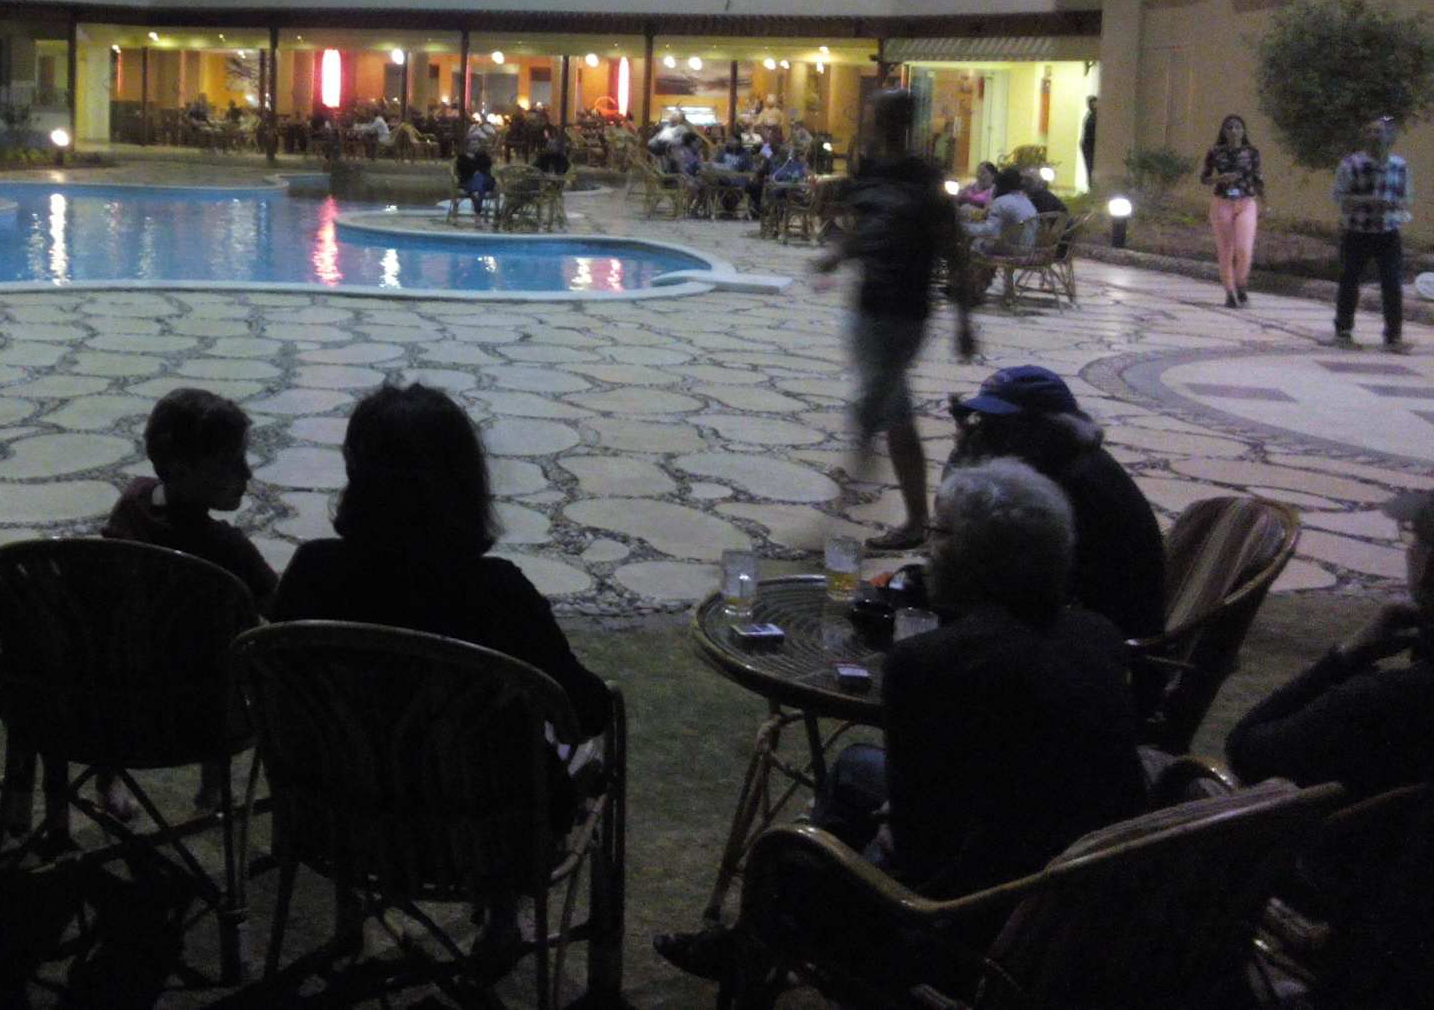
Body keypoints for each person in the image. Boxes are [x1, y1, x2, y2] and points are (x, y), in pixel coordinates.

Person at [656, 462, 1145, 980]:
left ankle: (760, 945)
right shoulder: (1097, 635)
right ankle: (755, 940)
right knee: (853, 768)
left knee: (790, 855)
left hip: (975, 928)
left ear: (976, 555)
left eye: (939, 533)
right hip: (1094, 901)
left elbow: (917, 849)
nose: (928, 550)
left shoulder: (929, 665)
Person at [272, 384, 609, 739]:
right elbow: (582, 712)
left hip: (332, 770)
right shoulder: (499, 594)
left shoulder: (313, 571)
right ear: (465, 479)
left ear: (357, 474)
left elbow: (274, 688)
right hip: (473, 774)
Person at [814, 90, 978, 553]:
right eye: (878, 113)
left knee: (883, 407)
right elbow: (866, 232)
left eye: (887, 115)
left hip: (906, 310)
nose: (878, 122)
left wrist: (964, 320)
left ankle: (869, 507)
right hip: (866, 308)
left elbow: (953, 247)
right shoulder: (869, 172)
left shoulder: (924, 178)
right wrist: (836, 257)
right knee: (892, 411)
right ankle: (911, 518)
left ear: (904, 121)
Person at [1225, 488, 1434, 797]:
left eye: (1415, 539)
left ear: (1430, 566)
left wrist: (1343, 659)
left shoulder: (1383, 699)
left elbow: (1244, 750)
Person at [945, 366, 1165, 640]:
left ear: (1044, 429)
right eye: (983, 422)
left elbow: (1017, 581)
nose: (986, 434)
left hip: (1103, 640)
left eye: (1000, 426)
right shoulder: (1070, 461)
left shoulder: (1073, 485)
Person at [103, 388, 275, 607]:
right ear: (181, 471)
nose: (246, 473)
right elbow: (281, 611)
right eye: (230, 462)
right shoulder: (229, 549)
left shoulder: (133, 504)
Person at [1332, 115, 1413, 351]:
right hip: (1357, 232)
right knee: (1349, 280)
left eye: (1379, 131)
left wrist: (1396, 207)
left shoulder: (1399, 166)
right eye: (1370, 131)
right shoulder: (1351, 165)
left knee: (1392, 283)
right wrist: (1370, 201)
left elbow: (1406, 198)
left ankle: (1393, 336)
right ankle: (1343, 331)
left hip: (1388, 233)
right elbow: (1340, 198)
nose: (1374, 136)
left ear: (1389, 136)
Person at [1199, 113, 1264, 308]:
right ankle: (1229, 292)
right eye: (1229, 127)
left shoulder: (1252, 152)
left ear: (1243, 131)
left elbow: (1258, 178)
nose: (1234, 131)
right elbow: (1204, 178)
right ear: (1223, 131)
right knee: (1226, 250)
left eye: (1237, 127)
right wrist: (1220, 179)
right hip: (1223, 202)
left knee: (1244, 250)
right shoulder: (1215, 152)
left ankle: (1241, 285)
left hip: (1246, 202)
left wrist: (1264, 202)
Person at [966, 165, 1038, 253]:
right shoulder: (1026, 201)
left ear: (1001, 185)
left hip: (1011, 251)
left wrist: (964, 227)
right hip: (1028, 251)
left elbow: (989, 230)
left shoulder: (1001, 202)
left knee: (973, 243)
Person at [454, 127, 497, 218]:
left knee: (479, 177)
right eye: (472, 144)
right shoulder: (462, 158)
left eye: (476, 144)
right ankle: (478, 213)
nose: (475, 146)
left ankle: (475, 192)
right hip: (468, 181)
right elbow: (463, 172)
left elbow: (486, 168)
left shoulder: (483, 156)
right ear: (468, 146)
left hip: (485, 181)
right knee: (479, 189)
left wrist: (475, 165)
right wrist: (472, 162)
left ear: (479, 145)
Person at [1080, 95, 1098, 190]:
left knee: (1091, 167)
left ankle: (1092, 186)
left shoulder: (1096, 116)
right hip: (1088, 145)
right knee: (1089, 167)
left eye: (1093, 103)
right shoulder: (1090, 115)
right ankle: (1091, 186)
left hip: (1092, 146)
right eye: (1090, 103)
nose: (1091, 105)